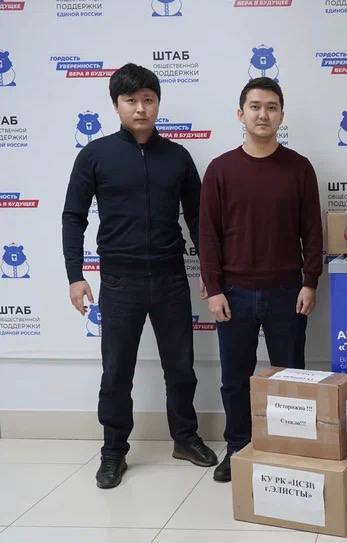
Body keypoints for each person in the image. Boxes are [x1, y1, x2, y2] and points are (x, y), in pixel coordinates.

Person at [62, 63, 217, 489]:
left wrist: (209, 270)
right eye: (131, 100)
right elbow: (73, 216)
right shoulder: (95, 155)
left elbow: (198, 218)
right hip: (119, 282)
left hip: (170, 279)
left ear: (158, 103)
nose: (141, 108)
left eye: (148, 99)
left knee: (181, 368)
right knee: (116, 372)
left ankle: (185, 438)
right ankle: (113, 451)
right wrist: (75, 275)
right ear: (116, 105)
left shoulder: (178, 157)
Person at [199, 77, 323, 482]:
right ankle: (237, 447)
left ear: (282, 115)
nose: (263, 114)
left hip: (288, 292)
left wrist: (310, 281)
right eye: (255, 106)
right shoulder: (220, 170)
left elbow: (313, 230)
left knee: (291, 378)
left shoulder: (299, 168)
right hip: (233, 293)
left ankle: (291, 448)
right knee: (236, 380)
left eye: (271, 107)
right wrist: (213, 288)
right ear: (241, 113)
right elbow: (208, 235)